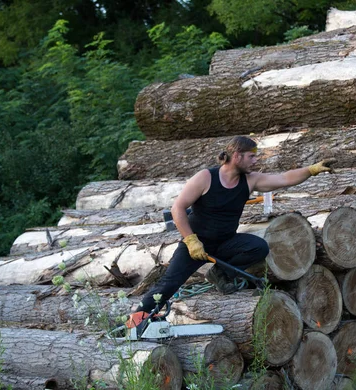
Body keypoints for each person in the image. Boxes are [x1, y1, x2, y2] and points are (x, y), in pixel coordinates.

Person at [126, 136, 334, 329]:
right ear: (237, 156)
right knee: (169, 284)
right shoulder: (206, 177)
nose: (255, 160)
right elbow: (177, 209)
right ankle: (134, 323)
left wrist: (312, 169)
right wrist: (191, 240)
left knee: (258, 247)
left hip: (225, 242)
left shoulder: (250, 180)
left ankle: (220, 273)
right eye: (251, 156)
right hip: (196, 244)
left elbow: (284, 178)